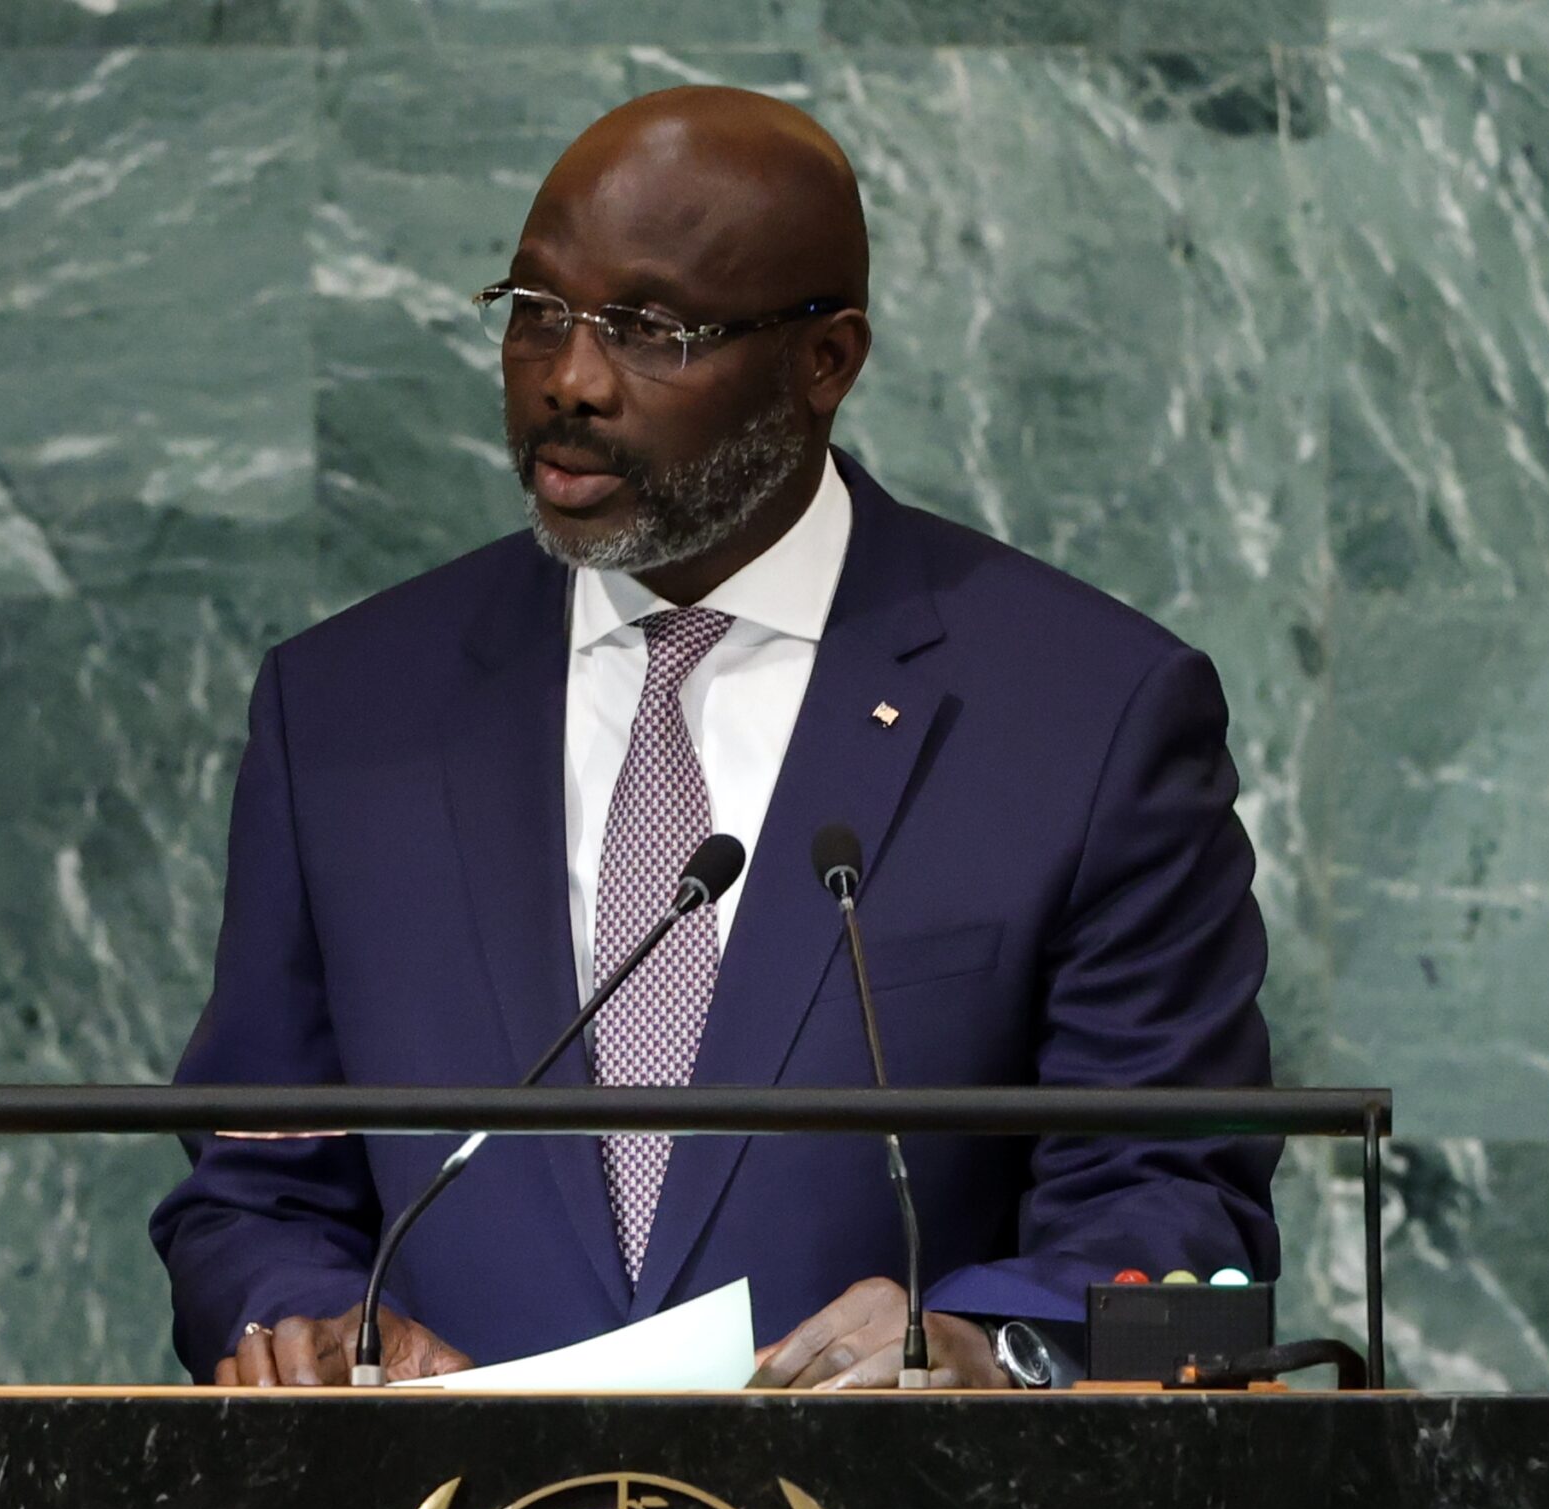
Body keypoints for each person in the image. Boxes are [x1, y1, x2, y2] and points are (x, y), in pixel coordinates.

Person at [150, 86, 1277, 1389]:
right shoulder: (346, 709)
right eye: (536, 313)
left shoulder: (1084, 714)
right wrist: (301, 1321)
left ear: (828, 360)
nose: (569, 381)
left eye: (651, 329)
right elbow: (251, 1193)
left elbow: (1192, 1233)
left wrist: (991, 1352)